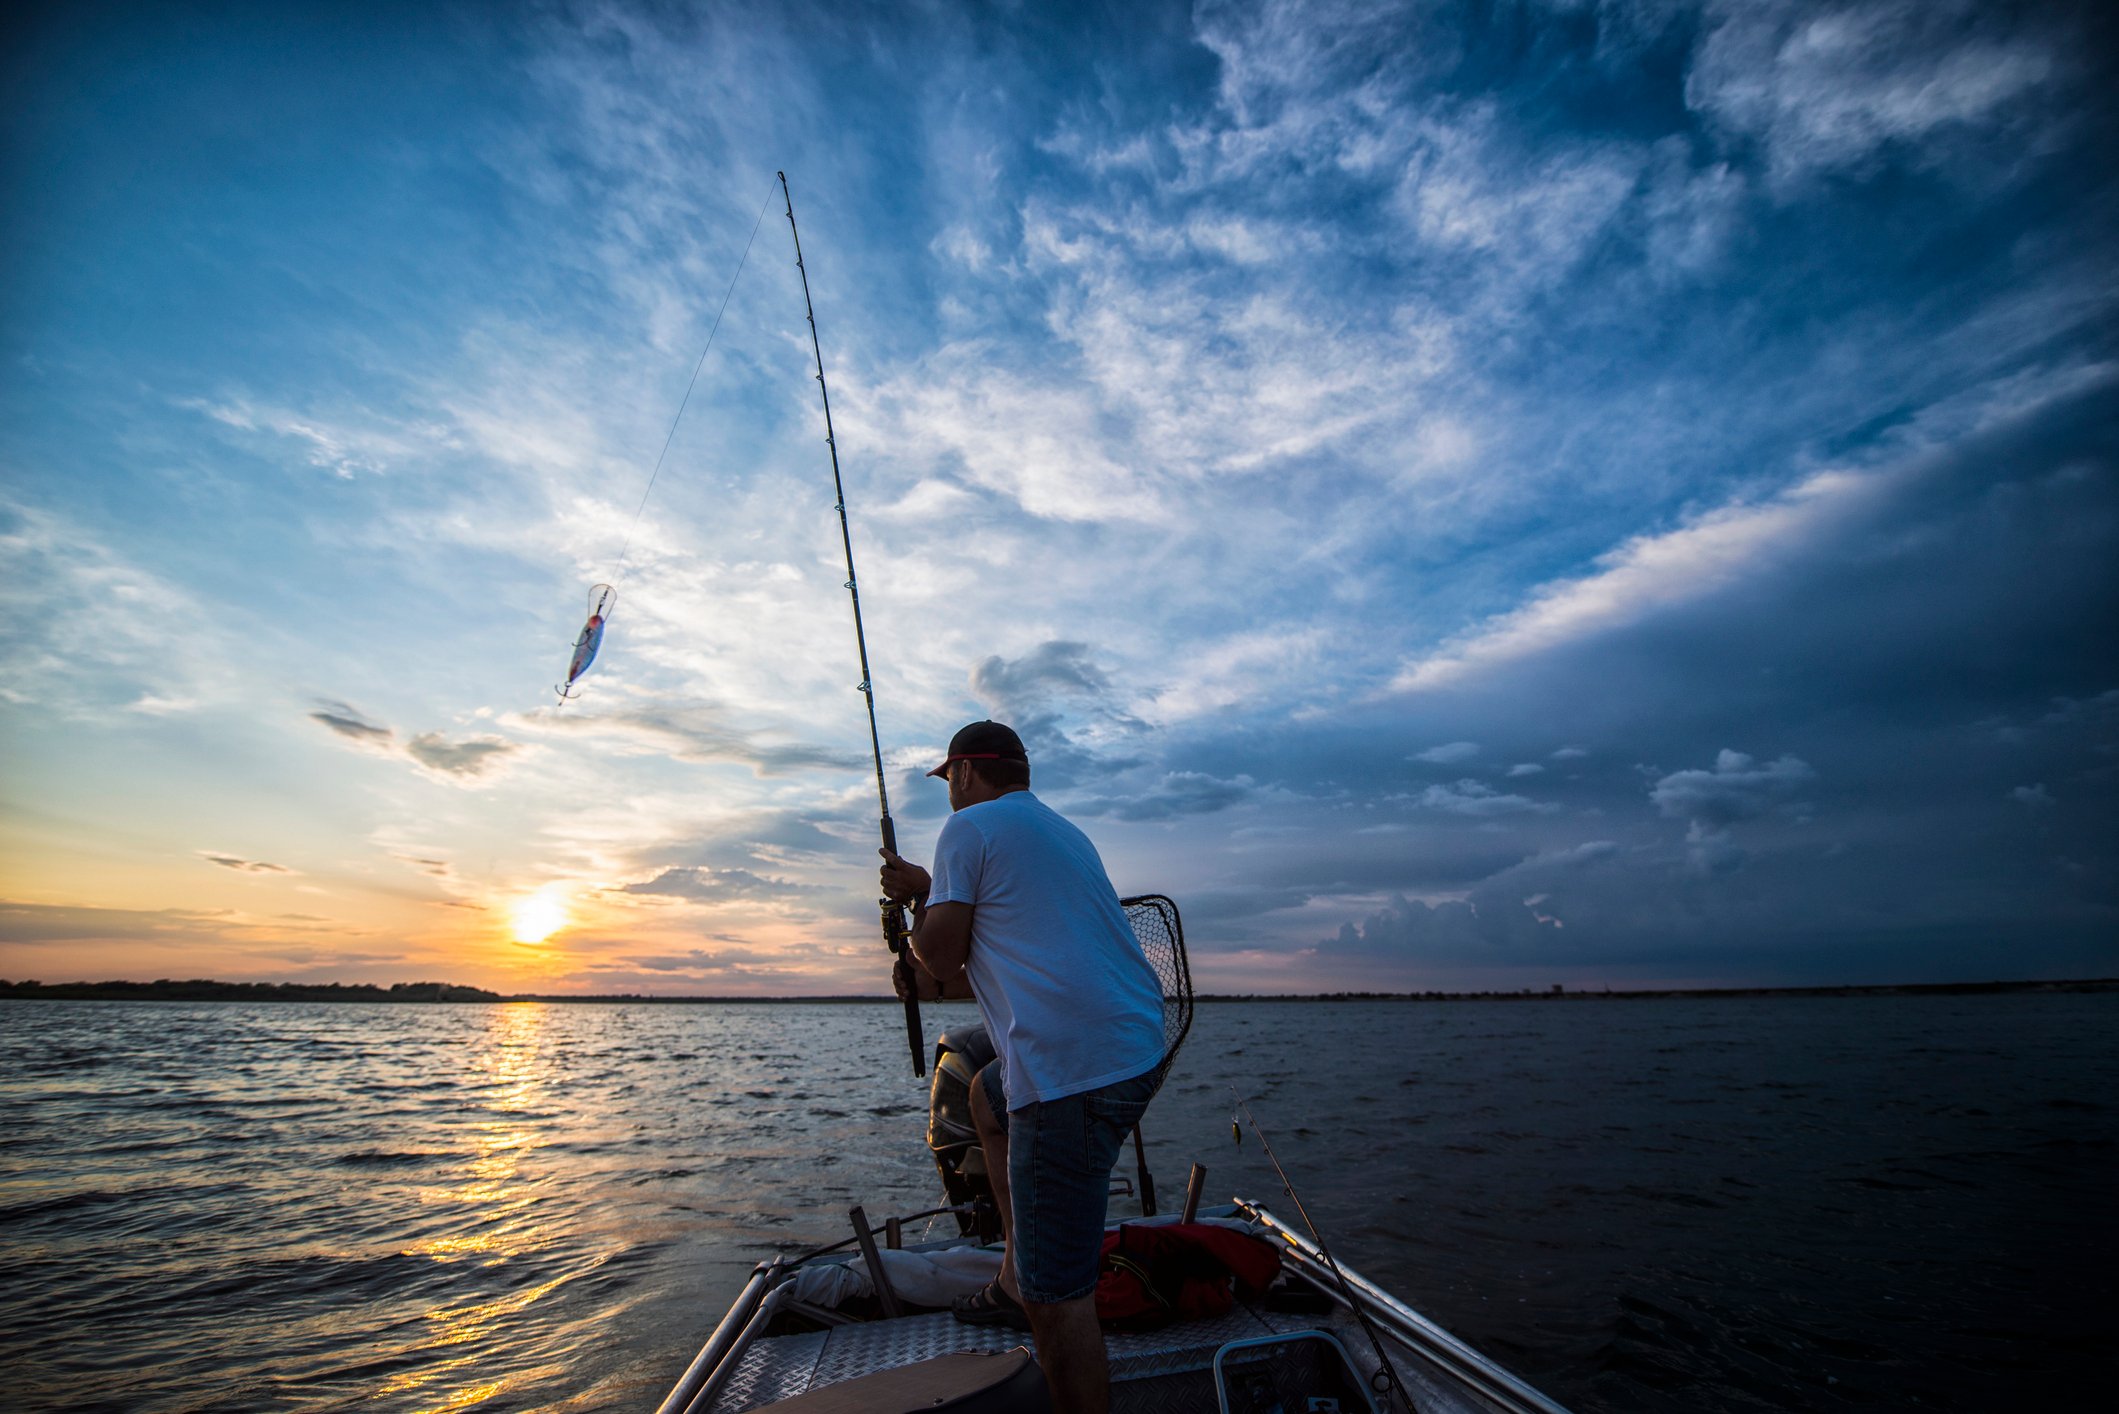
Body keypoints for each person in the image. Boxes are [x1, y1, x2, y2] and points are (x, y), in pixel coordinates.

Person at [879, 720, 1165, 1414]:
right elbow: (995, 952)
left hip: (1071, 1073)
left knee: (1057, 1299)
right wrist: (925, 897)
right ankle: (1013, 1271)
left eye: (948, 779)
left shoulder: (967, 829)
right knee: (986, 1091)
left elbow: (940, 961)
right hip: (1136, 1050)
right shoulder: (1062, 833)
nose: (949, 792)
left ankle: (1034, 1288)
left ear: (968, 774)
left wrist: (915, 911)